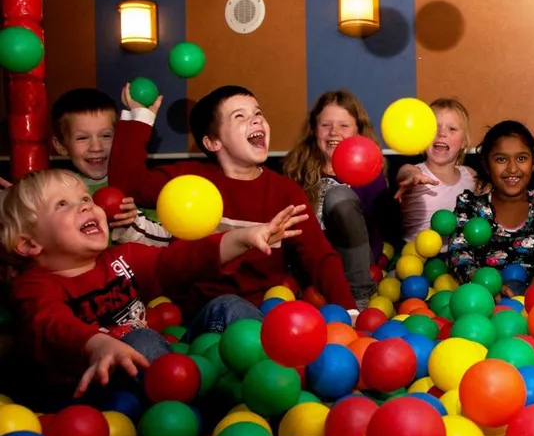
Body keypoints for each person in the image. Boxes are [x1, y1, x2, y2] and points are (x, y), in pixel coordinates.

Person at [0, 169, 305, 399]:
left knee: (228, 305)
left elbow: (181, 259)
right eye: (62, 204)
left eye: (86, 198)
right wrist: (96, 343)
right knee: (140, 342)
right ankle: (202, 404)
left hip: (164, 362)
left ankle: (281, 375)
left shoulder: (122, 259)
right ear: (29, 245)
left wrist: (244, 238)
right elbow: (49, 323)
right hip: (95, 391)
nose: (84, 206)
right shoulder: (34, 287)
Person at [107, 84, 358, 315]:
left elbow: (319, 256)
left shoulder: (284, 191)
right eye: (240, 116)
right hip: (196, 313)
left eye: (258, 113)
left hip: (264, 313)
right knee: (228, 305)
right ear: (213, 141)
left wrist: (349, 313)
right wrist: (140, 117)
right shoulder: (187, 180)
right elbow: (125, 186)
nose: (256, 119)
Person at [447, 120, 534, 296]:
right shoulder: (470, 208)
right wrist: (485, 285)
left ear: (533, 163)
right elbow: (459, 254)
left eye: (521, 158)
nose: (512, 168)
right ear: (487, 165)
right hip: (486, 304)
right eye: (501, 159)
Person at [283, 90, 389, 309]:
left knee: (338, 194)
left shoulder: (369, 170)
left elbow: (374, 227)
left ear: (358, 131)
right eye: (326, 125)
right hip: (314, 267)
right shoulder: (296, 170)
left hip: (355, 265)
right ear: (314, 130)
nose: (334, 132)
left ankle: (360, 297)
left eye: (344, 126)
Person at [50, 88, 170, 246]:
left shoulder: (138, 182)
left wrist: (135, 219)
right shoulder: (57, 191)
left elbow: (165, 238)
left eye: (106, 136)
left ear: (119, 136)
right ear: (61, 146)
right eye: (82, 138)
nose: (96, 147)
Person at [395, 98, 476, 251]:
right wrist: (412, 176)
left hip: (457, 258)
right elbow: (404, 172)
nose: (441, 133)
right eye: (433, 128)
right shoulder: (415, 172)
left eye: (452, 129)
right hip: (416, 256)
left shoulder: (470, 176)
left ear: (464, 141)